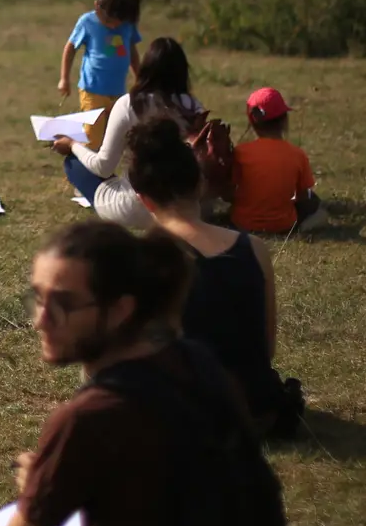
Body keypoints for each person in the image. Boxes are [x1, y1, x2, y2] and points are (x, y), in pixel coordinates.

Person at [0, 221, 284, 526]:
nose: (41, 320)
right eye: (38, 298)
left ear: (121, 309)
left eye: (64, 304)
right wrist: (54, 483)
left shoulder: (86, 419)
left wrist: (40, 490)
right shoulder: (195, 362)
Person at [126, 119, 303, 437]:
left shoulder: (141, 259)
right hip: (259, 410)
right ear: (200, 184)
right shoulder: (255, 248)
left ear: (143, 199)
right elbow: (267, 349)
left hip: (190, 416)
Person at [51, 37, 206, 227]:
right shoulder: (193, 107)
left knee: (74, 164)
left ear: (146, 67)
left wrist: (72, 145)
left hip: (134, 208)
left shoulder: (129, 104)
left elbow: (104, 166)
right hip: (185, 208)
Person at [230, 87, 329, 235]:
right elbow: (302, 195)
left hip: (241, 224)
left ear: (252, 123)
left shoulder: (239, 152)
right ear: (284, 121)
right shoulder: (297, 154)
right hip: (283, 225)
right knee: (316, 205)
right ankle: (302, 229)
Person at [56, 0, 142, 148]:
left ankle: (104, 173)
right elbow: (70, 48)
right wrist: (64, 79)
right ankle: (79, 173)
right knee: (91, 138)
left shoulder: (127, 26)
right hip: (93, 91)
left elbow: (132, 52)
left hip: (118, 93)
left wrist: (140, 79)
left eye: (117, 21)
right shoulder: (87, 22)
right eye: (108, 20)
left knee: (114, 140)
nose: (112, 25)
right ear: (97, 7)